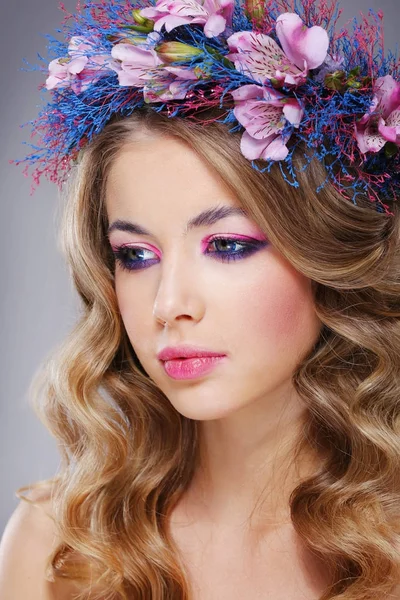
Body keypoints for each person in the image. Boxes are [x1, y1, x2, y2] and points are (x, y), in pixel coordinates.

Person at [1, 0, 400, 599]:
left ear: (325, 257)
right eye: (136, 256)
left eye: (228, 245)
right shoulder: (59, 544)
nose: (169, 305)